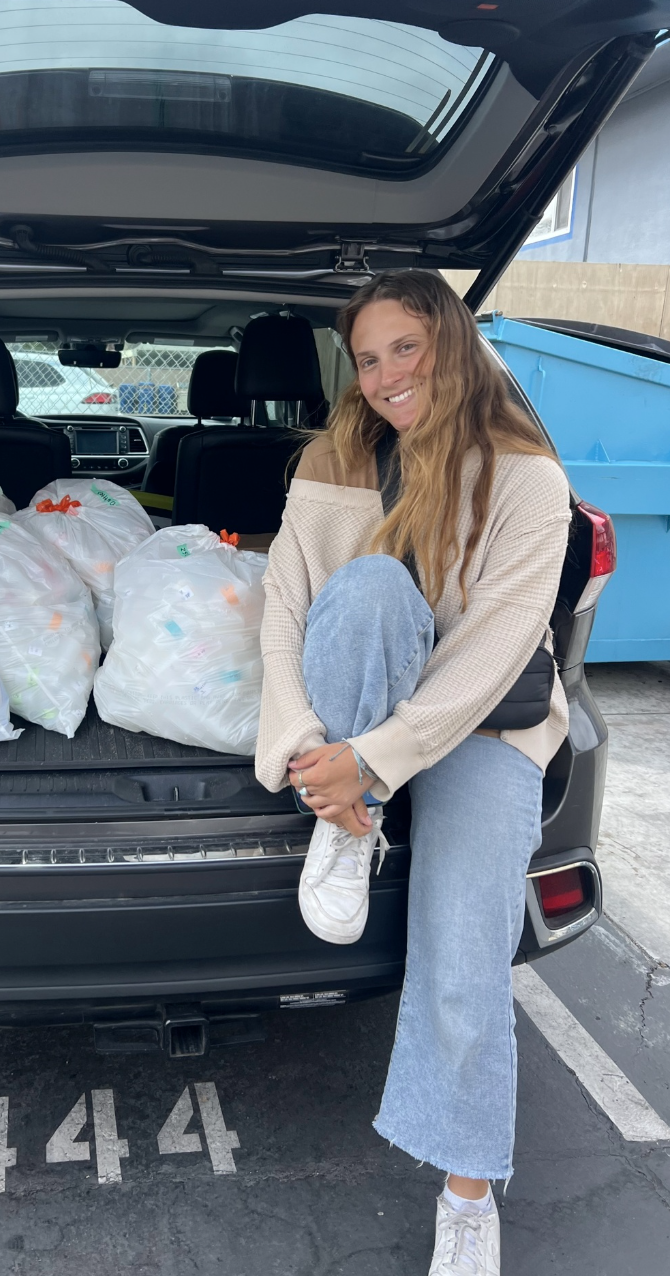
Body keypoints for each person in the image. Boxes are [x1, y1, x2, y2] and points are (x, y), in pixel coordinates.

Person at [255, 270, 571, 1275]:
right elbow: (286, 609)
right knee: (372, 587)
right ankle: (344, 829)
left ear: (453, 342)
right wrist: (314, 741)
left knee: (468, 949)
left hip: (479, 723)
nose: (389, 374)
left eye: (407, 346)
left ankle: (469, 1195)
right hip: (356, 705)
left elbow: (493, 655)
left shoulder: (526, 473)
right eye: (369, 356)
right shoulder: (335, 458)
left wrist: (370, 764)